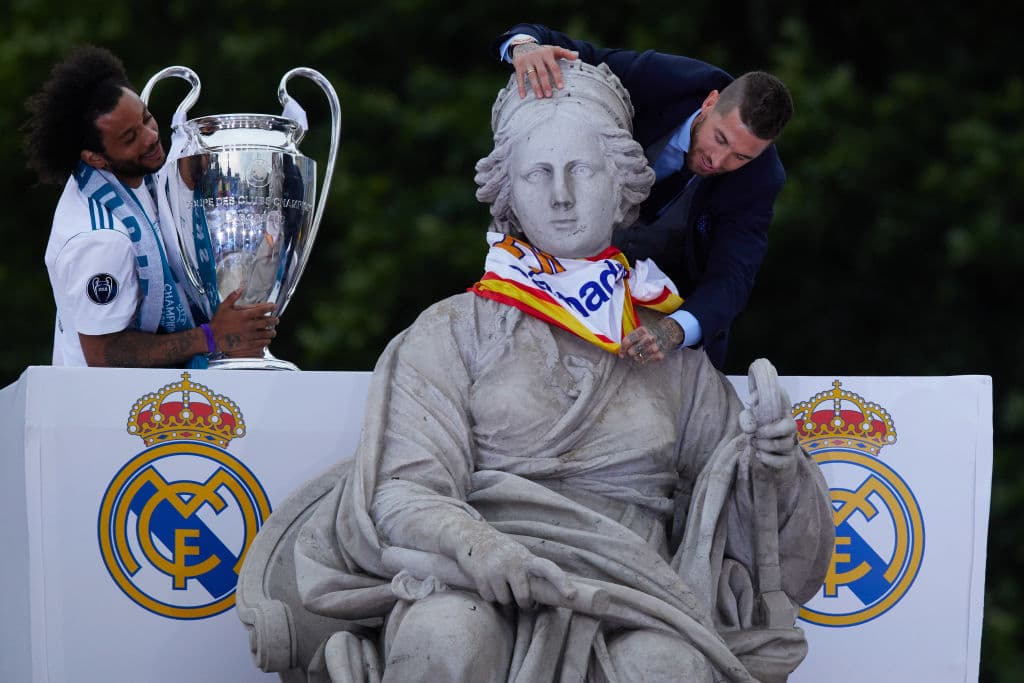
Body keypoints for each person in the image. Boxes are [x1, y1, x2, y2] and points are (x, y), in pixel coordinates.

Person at [286, 60, 832, 682]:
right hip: (480, 576)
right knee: (447, 636)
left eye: (582, 170)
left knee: (666, 667)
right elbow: (402, 492)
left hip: (634, 592)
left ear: (624, 184)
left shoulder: (668, 347)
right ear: (510, 194)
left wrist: (773, 469)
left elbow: (742, 522)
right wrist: (480, 547)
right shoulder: (452, 329)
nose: (562, 196)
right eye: (537, 173)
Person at [492, 24, 793, 370]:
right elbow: (578, 55)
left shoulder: (761, 178)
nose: (718, 160)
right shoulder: (669, 80)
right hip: (562, 264)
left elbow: (733, 276)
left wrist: (675, 331)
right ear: (710, 103)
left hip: (663, 305)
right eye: (720, 139)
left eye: (741, 157)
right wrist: (525, 46)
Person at [23, 46, 278, 368]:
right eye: (130, 138)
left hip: (152, 391)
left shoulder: (126, 177)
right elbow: (103, 355)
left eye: (146, 118)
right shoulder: (100, 240)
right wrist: (212, 337)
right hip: (105, 398)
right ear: (95, 158)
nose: (150, 138)